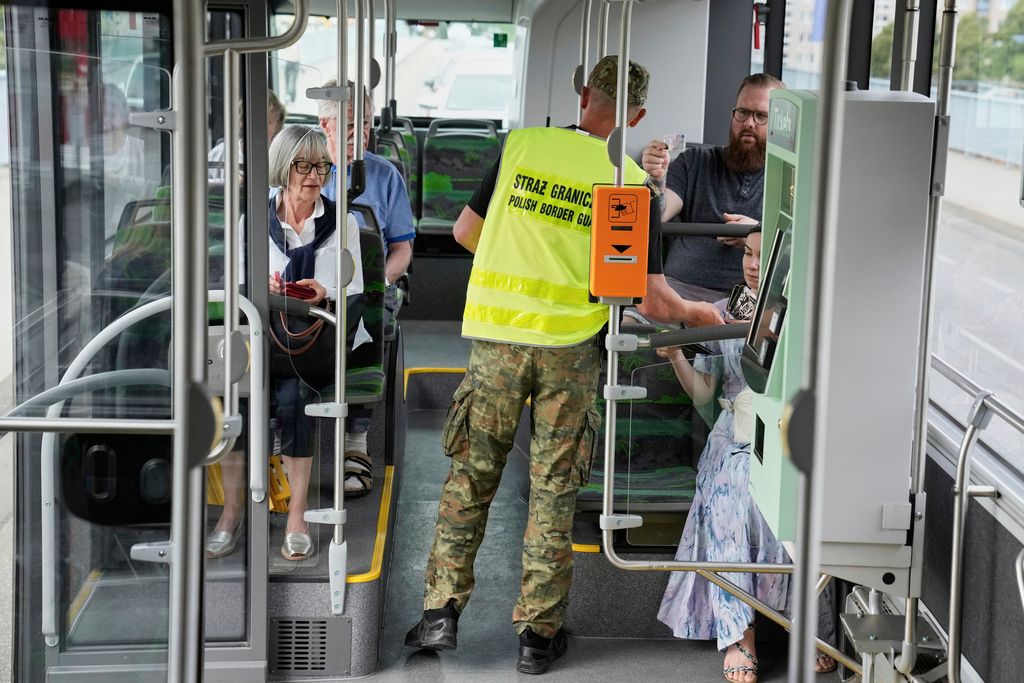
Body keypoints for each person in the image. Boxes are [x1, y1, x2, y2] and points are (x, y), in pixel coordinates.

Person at [403, 55, 722, 675]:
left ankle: (440, 612)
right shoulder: (632, 185)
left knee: (471, 476)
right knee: (553, 489)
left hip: (498, 341)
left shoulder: (520, 147)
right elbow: (649, 296)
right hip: (572, 351)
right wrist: (696, 313)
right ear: (636, 117)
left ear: (582, 97)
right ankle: (536, 636)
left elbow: (466, 232)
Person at [655, 226, 836, 682]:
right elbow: (705, 396)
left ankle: (806, 626)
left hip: (789, 431)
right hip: (734, 436)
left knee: (799, 491)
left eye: (762, 256)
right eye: (747, 254)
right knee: (737, 489)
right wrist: (677, 356)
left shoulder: (806, 315)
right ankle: (740, 635)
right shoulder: (721, 313)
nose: (753, 265)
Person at [205, 124, 364, 562]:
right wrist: (265, 286)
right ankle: (231, 512)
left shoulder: (344, 221)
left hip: (314, 341)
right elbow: (237, 286)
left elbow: (355, 290)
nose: (314, 176)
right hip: (262, 332)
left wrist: (324, 291)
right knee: (238, 399)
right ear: (282, 167)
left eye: (322, 167)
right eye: (303, 166)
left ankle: (297, 514)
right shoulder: (254, 220)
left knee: (294, 399)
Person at [316, 78, 416, 497]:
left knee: (367, 317)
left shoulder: (385, 175)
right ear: (325, 124)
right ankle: (282, 437)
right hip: (312, 283)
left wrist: (378, 281)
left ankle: (355, 439)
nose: (362, 133)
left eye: (367, 123)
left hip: (370, 283)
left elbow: (402, 249)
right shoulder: (303, 170)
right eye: (351, 124)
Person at [641, 73, 783, 304]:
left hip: (745, 300)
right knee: (630, 323)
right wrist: (657, 178)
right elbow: (659, 214)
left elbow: (798, 249)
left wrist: (755, 233)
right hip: (676, 291)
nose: (749, 123)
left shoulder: (789, 178)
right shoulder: (694, 161)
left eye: (761, 116)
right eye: (743, 112)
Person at [208, 90, 287, 182]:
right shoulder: (220, 153)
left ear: (277, 125)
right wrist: (232, 182)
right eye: (253, 120)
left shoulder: (282, 155)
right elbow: (201, 183)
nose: (259, 127)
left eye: (267, 122)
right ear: (241, 122)